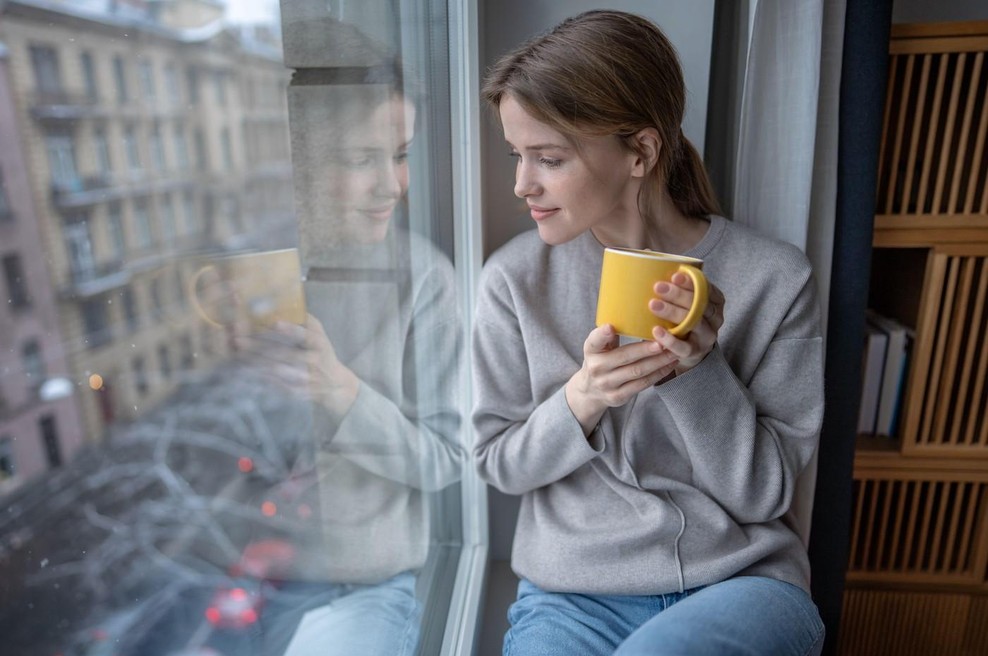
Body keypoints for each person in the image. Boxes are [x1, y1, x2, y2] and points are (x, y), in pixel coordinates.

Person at [472, 10, 825, 656]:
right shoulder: (513, 282)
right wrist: (584, 399)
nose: (523, 184)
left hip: (742, 584)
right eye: (518, 156)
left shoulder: (775, 279)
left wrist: (699, 372)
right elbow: (497, 461)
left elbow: (766, 492)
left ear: (641, 151)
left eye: (548, 158)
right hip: (571, 598)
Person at [229, 57, 464, 656]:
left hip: (359, 585)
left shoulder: (422, 281)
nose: (390, 183)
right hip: (238, 575)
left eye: (400, 155)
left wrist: (341, 391)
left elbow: (447, 458)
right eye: (362, 160)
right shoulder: (250, 273)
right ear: (299, 167)